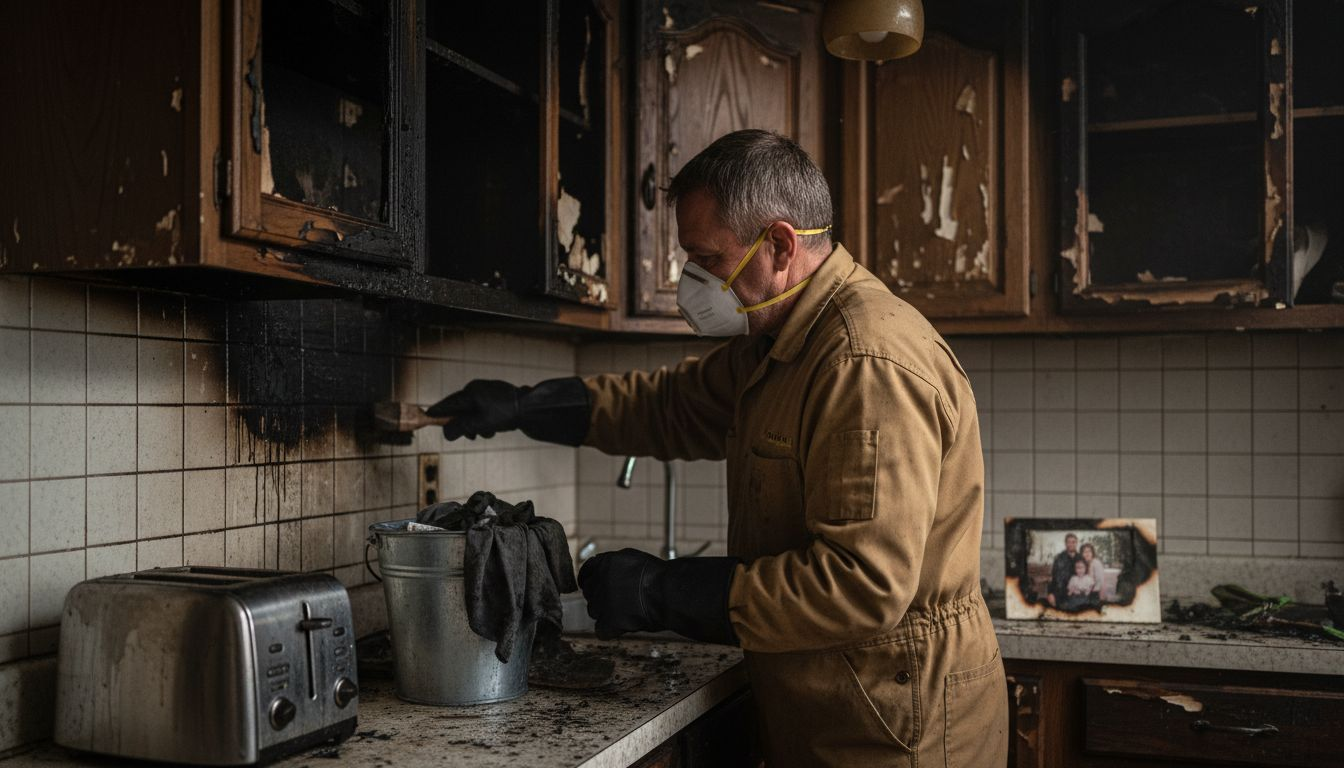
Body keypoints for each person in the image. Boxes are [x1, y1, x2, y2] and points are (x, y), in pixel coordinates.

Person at [427, 129, 1006, 767]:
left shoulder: (862, 363)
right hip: (839, 703)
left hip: (897, 725)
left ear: (781, 246)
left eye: (706, 258)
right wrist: (525, 405)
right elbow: (670, 406)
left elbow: (861, 585)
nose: (693, 282)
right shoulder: (781, 341)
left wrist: (661, 590)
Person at [1047, 533, 1080, 608]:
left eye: (1073, 542)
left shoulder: (1080, 558)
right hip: (1061, 595)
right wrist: (1050, 593)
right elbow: (1053, 577)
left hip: (1077, 595)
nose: (1071, 544)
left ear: (1076, 543)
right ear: (1065, 543)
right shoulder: (1059, 558)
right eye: (1069, 542)